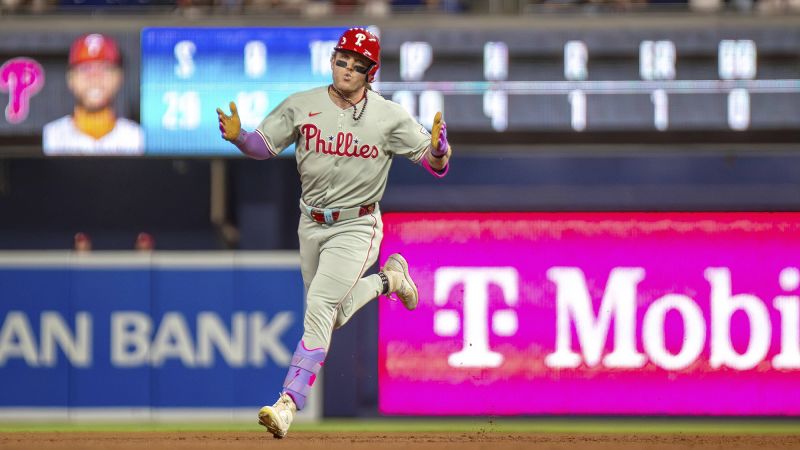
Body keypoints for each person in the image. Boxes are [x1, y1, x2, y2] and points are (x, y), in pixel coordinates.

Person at [216, 27, 452, 439]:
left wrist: (438, 149)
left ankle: (288, 403)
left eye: (357, 64)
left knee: (321, 305)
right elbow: (262, 147)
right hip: (312, 223)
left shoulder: (389, 116)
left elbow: (435, 163)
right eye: (342, 59)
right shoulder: (301, 105)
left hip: (357, 224)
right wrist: (239, 137)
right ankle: (389, 279)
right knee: (334, 315)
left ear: (370, 73)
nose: (347, 68)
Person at [43, 33, 144, 156]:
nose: (95, 78)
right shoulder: (51, 135)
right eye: (85, 69)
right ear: (70, 78)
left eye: (105, 68)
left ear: (119, 77)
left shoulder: (136, 137)